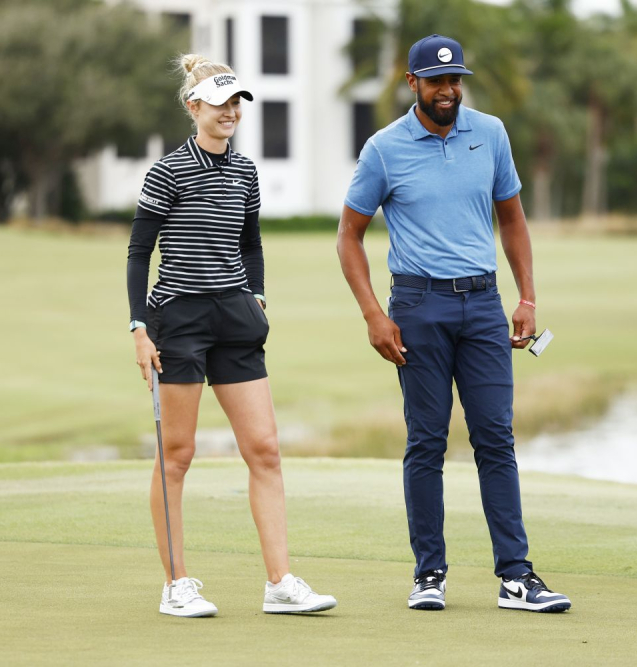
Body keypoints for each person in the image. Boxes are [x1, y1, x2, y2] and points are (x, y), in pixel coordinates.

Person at [336, 34, 571, 613]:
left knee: (497, 438)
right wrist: (373, 315)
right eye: (436, 81)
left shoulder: (489, 133)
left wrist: (529, 299)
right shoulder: (384, 148)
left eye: (455, 80)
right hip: (417, 308)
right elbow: (349, 236)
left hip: (484, 305)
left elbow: (512, 220)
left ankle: (516, 576)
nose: (448, 90)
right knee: (427, 441)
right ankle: (428, 574)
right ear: (412, 83)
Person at [128, 53, 336, 618]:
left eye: (235, 101)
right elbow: (139, 252)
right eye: (219, 102)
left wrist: (258, 294)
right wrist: (138, 327)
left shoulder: (244, 172)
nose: (230, 111)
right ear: (193, 107)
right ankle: (176, 585)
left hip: (235, 318)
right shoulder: (167, 171)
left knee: (265, 450)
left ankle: (280, 583)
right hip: (180, 319)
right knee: (178, 454)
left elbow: (250, 242)